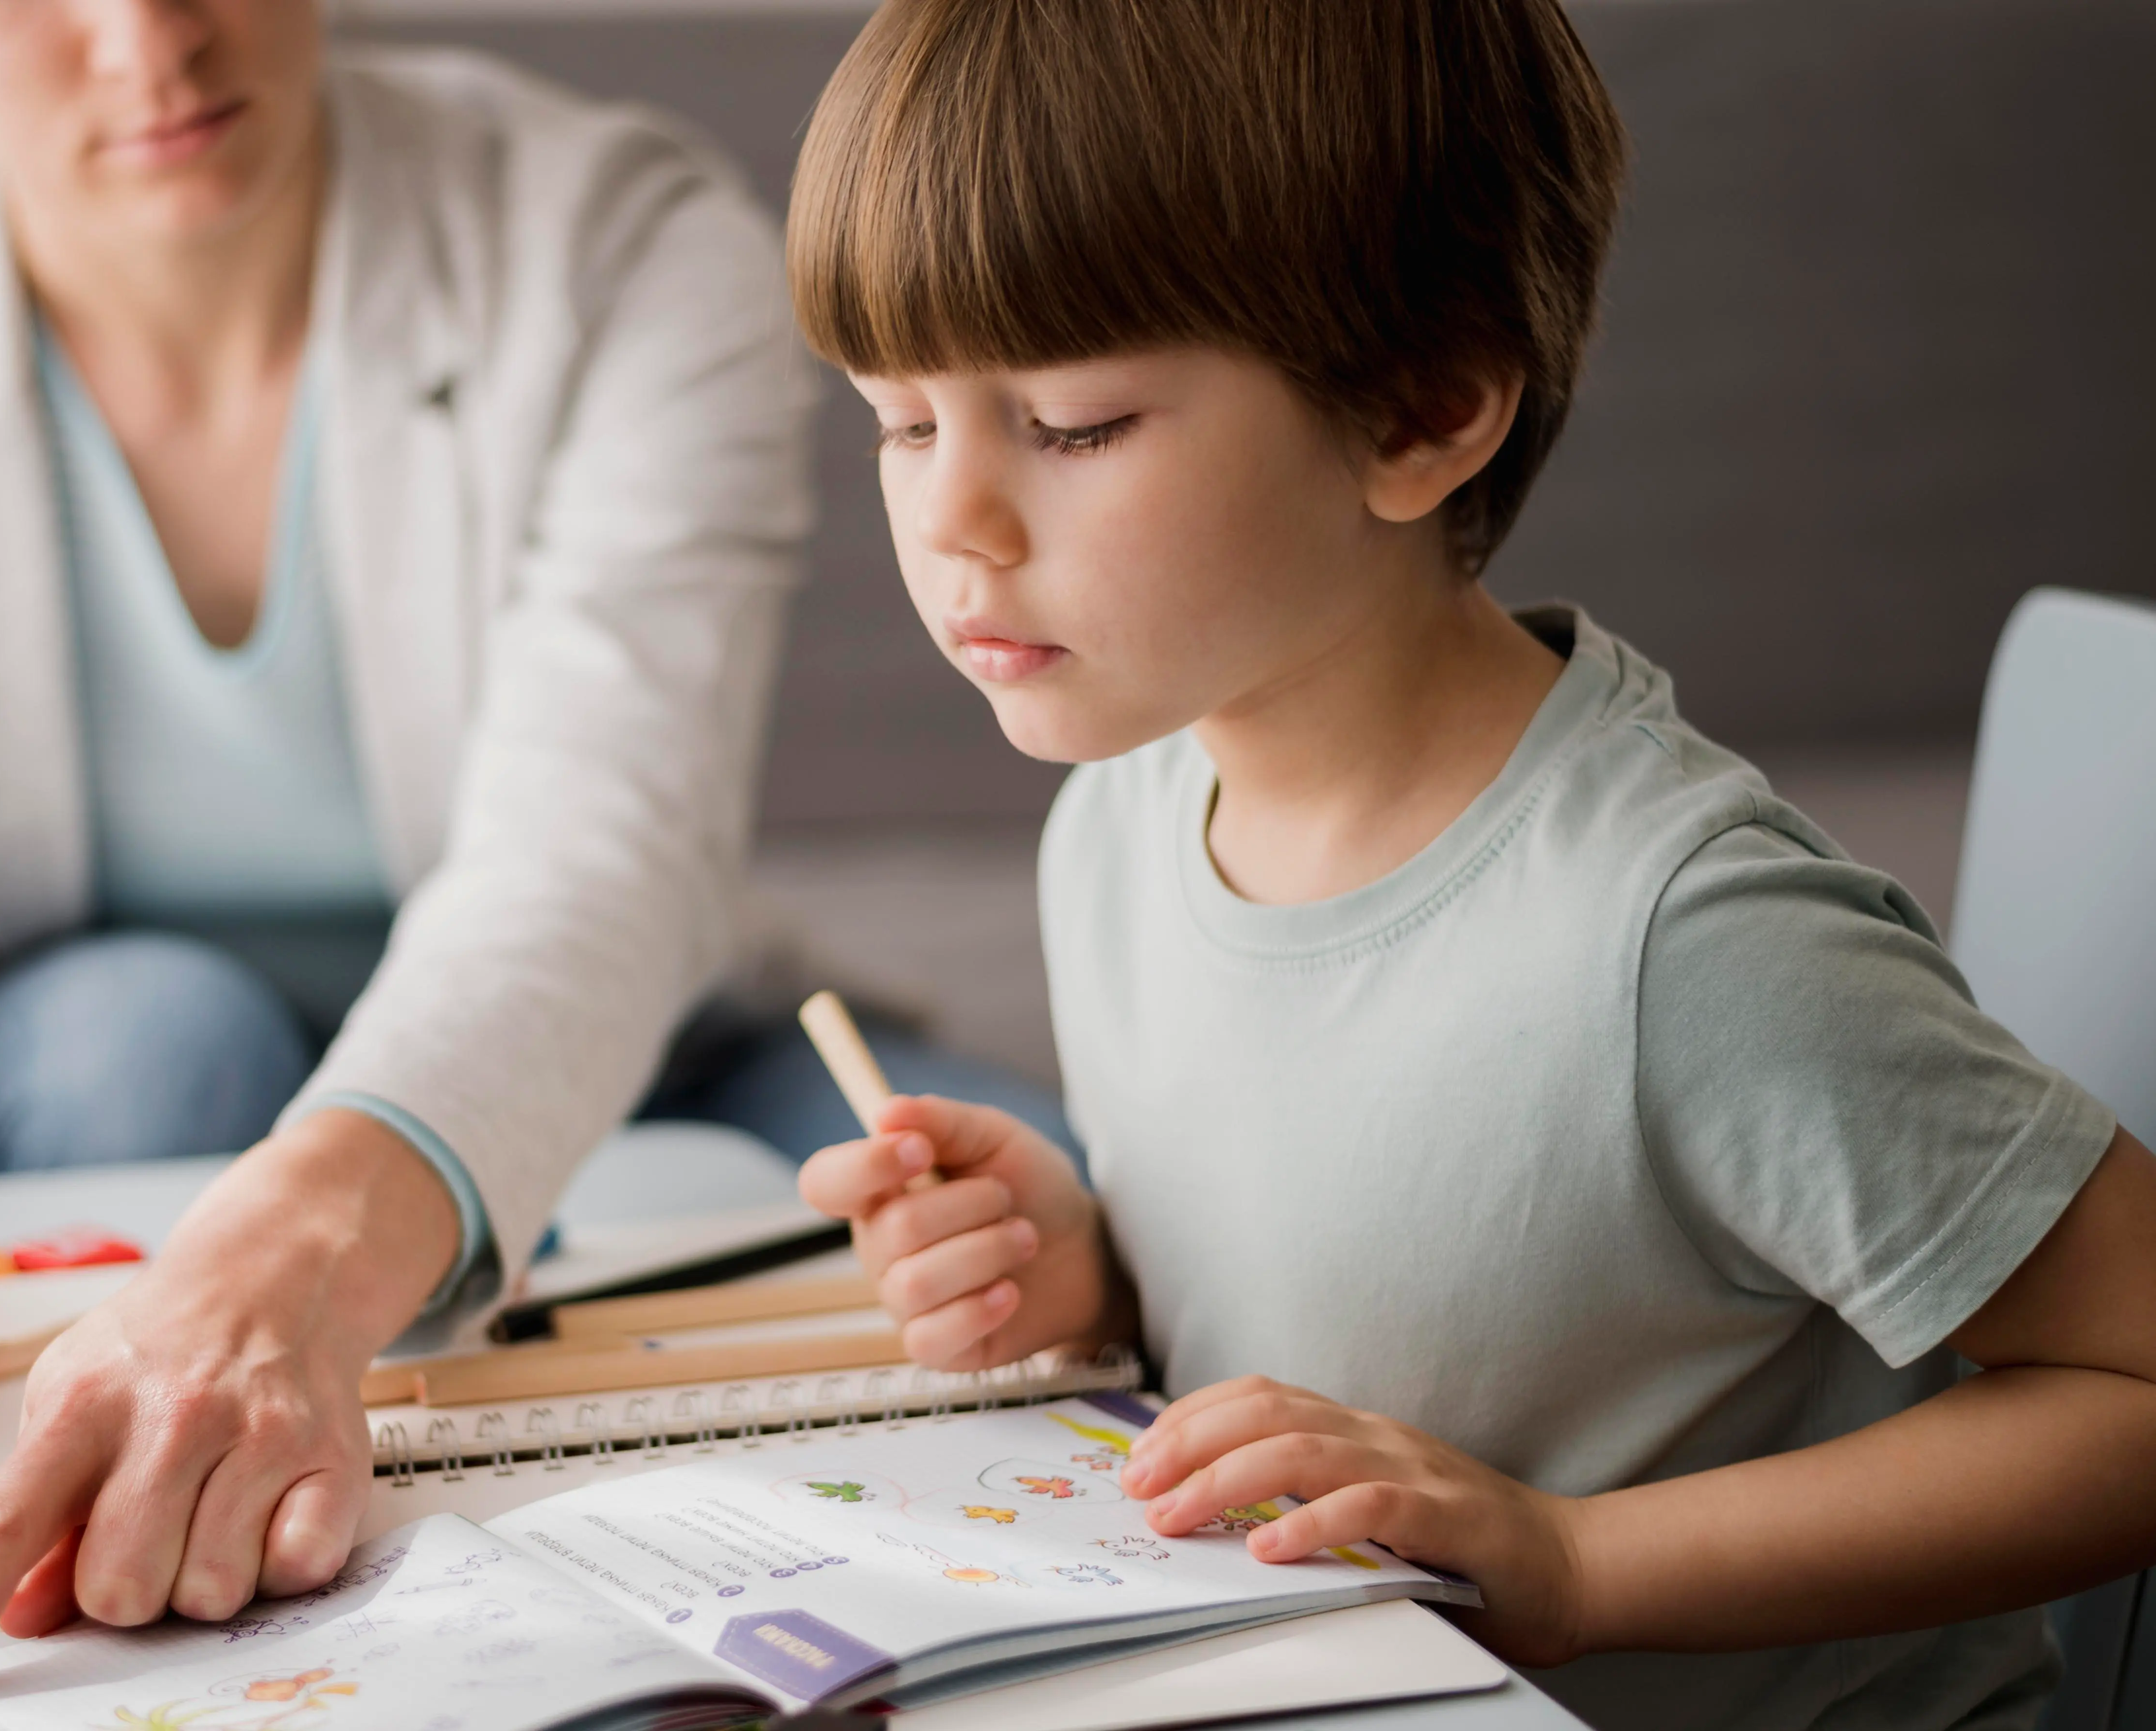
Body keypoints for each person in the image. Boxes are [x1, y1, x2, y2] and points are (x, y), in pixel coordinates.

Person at [0, 0, 1069, 1699]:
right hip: (67, 1050)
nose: (150, 42)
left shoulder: (618, 237)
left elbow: (599, 867)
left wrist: (293, 1262)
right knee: (159, 1041)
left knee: (1057, 1216)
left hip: (616, 1040)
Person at [783, 2, 2156, 1727]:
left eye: (1068, 424)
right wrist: (1091, 1276)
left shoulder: (1686, 945)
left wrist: (1574, 1564)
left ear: (1420, 412)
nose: (950, 520)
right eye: (901, 423)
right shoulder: (1121, 821)